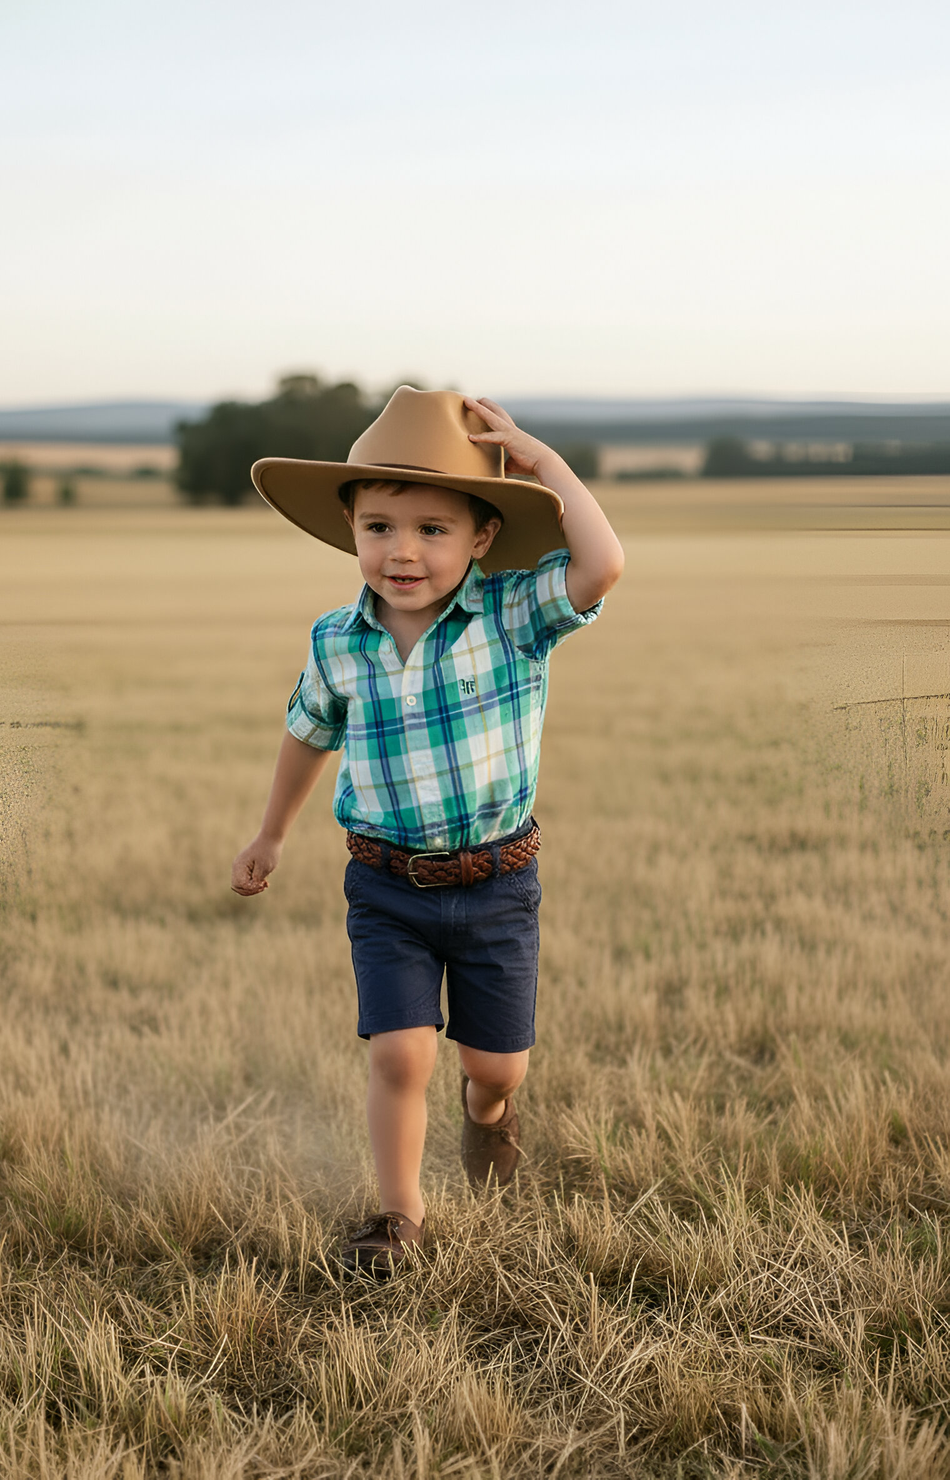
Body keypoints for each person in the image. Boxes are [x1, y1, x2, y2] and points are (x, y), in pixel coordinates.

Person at [232, 388, 624, 1277]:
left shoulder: (514, 616)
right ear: (350, 529)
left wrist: (543, 464)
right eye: (379, 527)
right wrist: (271, 835)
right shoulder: (337, 641)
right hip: (384, 885)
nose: (402, 551)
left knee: (496, 1065)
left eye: (432, 530)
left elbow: (602, 566)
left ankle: (489, 1115)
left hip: (496, 884)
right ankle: (399, 1216)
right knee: (401, 1055)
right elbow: (308, 735)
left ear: (483, 536)